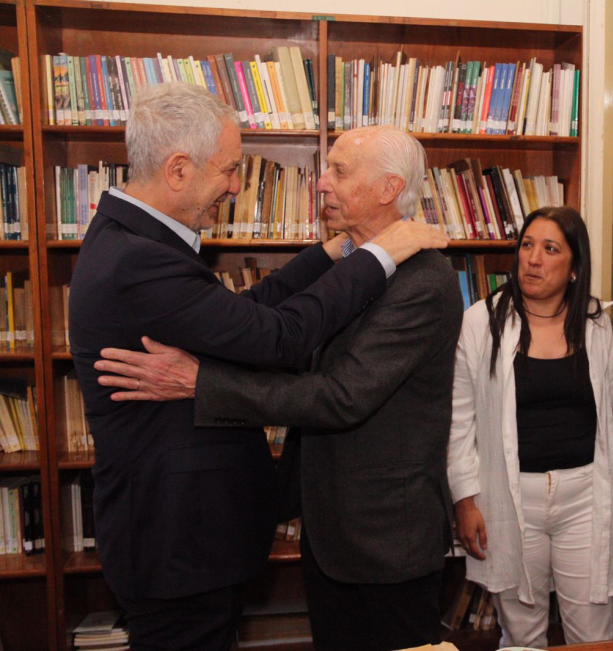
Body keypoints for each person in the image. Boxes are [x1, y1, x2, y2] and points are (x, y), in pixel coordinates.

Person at [69, 85, 447, 650]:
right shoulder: (141, 257)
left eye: (339, 172)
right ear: (178, 170)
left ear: (390, 188)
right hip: (179, 543)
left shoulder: (130, 239)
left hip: (352, 539)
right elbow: (279, 337)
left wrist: (340, 252)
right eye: (229, 169)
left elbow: (248, 318)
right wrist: (376, 253)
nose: (236, 185)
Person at [447, 207, 613, 647]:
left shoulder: (597, 323)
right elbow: (459, 422)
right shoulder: (480, 322)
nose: (533, 259)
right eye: (527, 245)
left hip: (584, 497)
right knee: (522, 634)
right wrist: (466, 503)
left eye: (550, 249)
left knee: (594, 633)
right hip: (509, 498)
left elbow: (607, 416)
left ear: (575, 267)